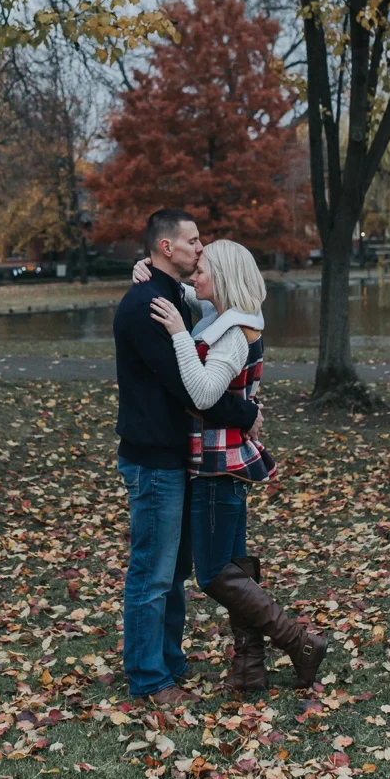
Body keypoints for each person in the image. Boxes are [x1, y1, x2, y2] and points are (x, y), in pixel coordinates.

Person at [135, 241, 327, 691]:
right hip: (219, 462)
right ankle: (249, 670)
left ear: (220, 277)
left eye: (200, 271)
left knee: (215, 573)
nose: (193, 277)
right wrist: (145, 267)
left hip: (220, 467)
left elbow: (203, 394)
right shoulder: (222, 319)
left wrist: (180, 335)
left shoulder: (233, 333)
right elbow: (177, 290)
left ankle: (299, 641)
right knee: (236, 568)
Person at [113, 209, 262, 705]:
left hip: (176, 456)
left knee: (172, 573)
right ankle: (149, 679)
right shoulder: (148, 307)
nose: (201, 248)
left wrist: (146, 269)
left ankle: (169, 667)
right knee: (153, 573)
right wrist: (245, 412)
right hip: (153, 458)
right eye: (192, 241)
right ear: (165, 246)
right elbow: (189, 389)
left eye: (201, 243)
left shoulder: (173, 296)